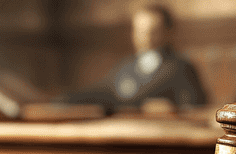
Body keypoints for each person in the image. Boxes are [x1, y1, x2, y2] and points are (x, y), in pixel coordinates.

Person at [62, 6, 207, 113]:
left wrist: (173, 109)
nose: (146, 37)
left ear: (167, 32)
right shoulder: (125, 67)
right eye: (141, 31)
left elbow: (197, 107)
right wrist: (62, 101)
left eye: (153, 31)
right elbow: (102, 93)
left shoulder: (181, 68)